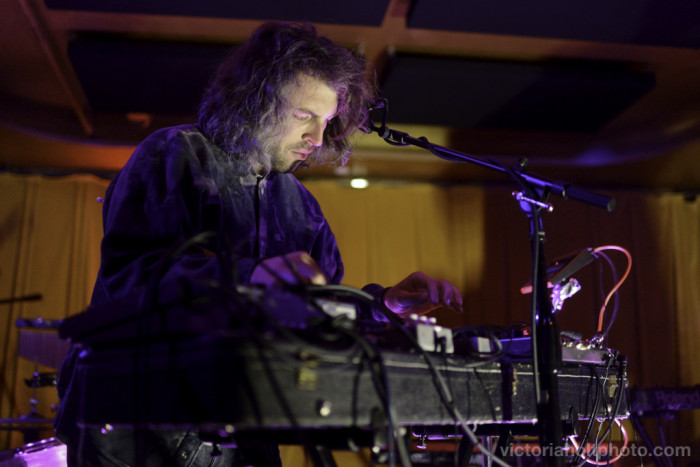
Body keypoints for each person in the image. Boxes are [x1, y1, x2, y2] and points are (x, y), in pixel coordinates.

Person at [54, 21, 463, 466]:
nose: (317, 137)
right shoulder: (174, 153)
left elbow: (319, 315)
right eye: (304, 115)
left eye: (326, 121)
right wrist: (249, 276)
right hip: (136, 426)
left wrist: (383, 305)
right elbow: (131, 276)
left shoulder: (303, 208)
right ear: (256, 100)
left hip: (242, 426)